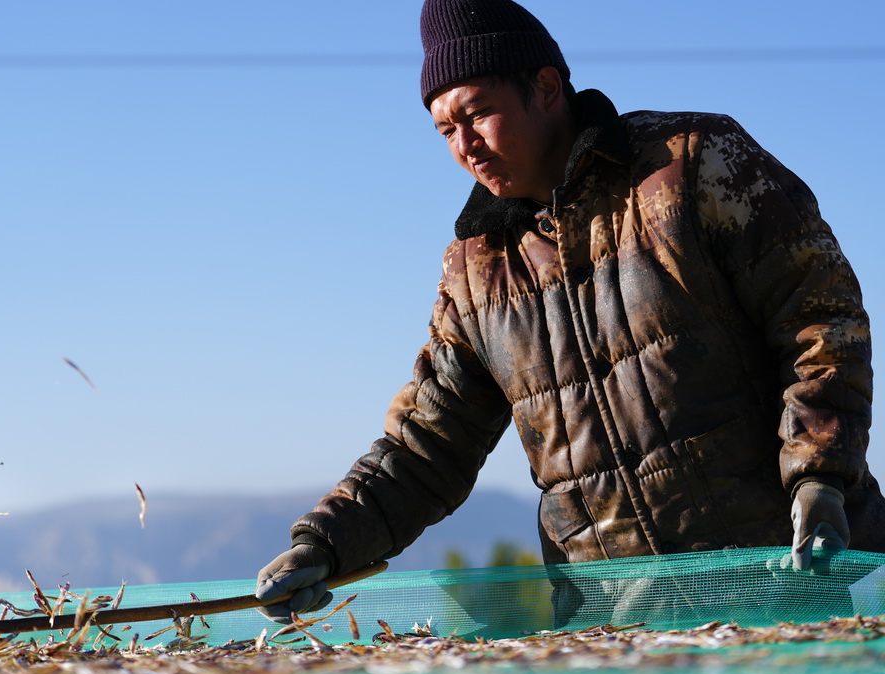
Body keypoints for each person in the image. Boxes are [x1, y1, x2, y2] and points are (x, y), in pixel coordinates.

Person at [254, 0, 885, 624]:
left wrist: (819, 475)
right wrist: (325, 542)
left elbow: (821, 322)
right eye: (445, 130)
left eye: (477, 114)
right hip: (614, 624)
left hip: (791, 584)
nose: (465, 145)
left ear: (547, 87)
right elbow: (428, 444)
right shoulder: (474, 274)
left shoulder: (692, 165)